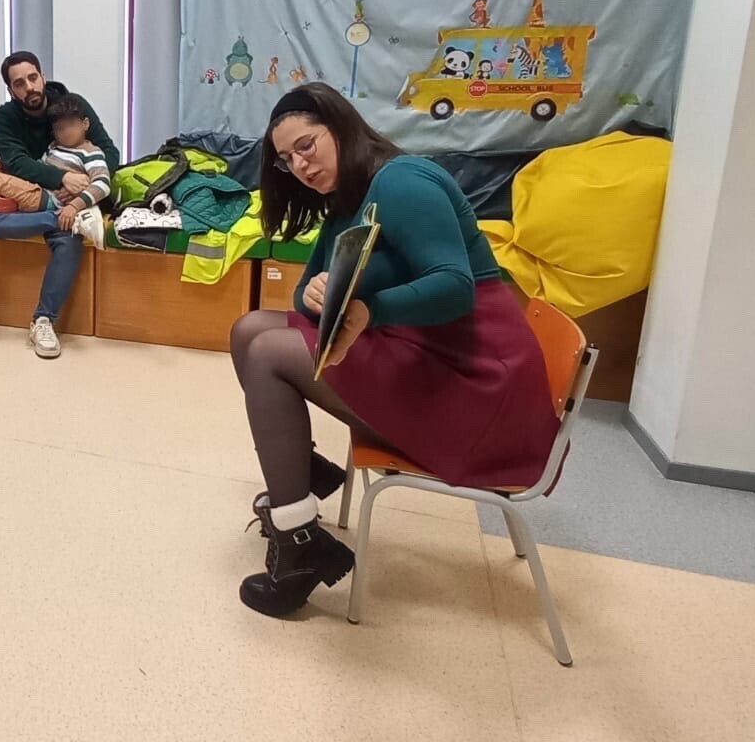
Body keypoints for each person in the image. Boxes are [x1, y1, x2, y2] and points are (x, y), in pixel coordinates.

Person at [229, 82, 560, 618]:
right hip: (425, 357)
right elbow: (306, 289)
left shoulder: (403, 182)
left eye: (306, 146)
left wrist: (371, 310)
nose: (300, 166)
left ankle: (299, 548)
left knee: (267, 352)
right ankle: (301, 475)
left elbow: (456, 286)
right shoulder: (346, 196)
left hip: (475, 386)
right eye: (287, 160)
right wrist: (312, 294)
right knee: (248, 330)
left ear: (340, 127)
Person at [0, 52, 122, 358]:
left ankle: (43, 320)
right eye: (19, 83)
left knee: (68, 238)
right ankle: (58, 219)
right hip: (34, 196)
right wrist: (62, 178)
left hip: (73, 199)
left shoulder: (71, 105)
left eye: (33, 78)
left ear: (43, 77)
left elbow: (109, 152)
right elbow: (16, 161)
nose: (29, 87)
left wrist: (82, 187)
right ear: (11, 90)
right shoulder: (4, 117)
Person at [0, 93, 109, 254]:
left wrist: (74, 205)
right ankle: (6, 202)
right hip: (37, 190)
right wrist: (5, 168)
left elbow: (103, 184)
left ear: (85, 124)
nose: (67, 132)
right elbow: (39, 168)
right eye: (60, 129)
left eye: (72, 125)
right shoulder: (54, 147)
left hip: (45, 198)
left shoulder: (91, 153)